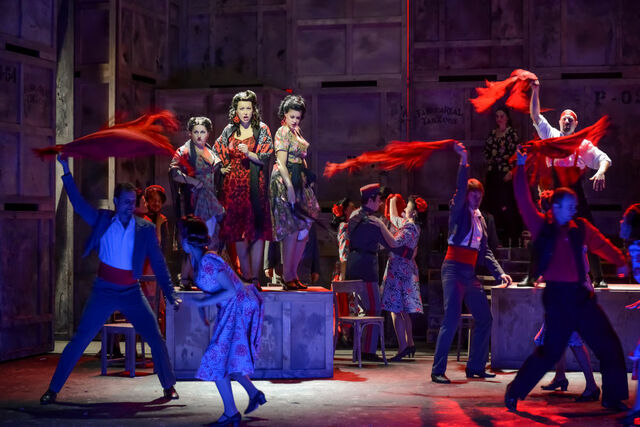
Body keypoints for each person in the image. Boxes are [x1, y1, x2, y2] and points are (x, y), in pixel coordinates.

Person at [40, 156, 181, 405]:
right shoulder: (103, 221)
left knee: (155, 336)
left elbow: (159, 263)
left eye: (132, 202)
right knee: (80, 339)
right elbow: (78, 204)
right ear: (116, 202)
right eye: (125, 202)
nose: (129, 206)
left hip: (131, 291)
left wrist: (171, 295)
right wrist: (66, 171)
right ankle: (53, 389)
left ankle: (168, 386)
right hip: (104, 290)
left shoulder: (145, 228)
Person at [504, 148, 629, 412]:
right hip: (558, 299)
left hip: (581, 298)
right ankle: (514, 391)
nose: (574, 210)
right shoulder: (542, 226)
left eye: (575, 207)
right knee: (549, 352)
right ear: (557, 207)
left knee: (608, 344)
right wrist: (521, 167)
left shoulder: (580, 227)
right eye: (570, 207)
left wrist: (620, 261)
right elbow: (523, 200)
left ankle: (613, 396)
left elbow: (601, 244)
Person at [431, 142, 512, 384]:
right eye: (473, 195)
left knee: (485, 318)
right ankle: (437, 370)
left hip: (468, 272)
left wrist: (500, 274)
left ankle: (475, 367)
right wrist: (464, 160)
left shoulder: (481, 220)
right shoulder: (459, 211)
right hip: (453, 269)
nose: (477, 199)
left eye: (479, 196)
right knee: (451, 319)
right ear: (466, 196)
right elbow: (459, 187)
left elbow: (485, 252)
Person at [526, 79, 612, 288]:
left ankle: (599, 277)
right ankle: (531, 276)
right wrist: (536, 91)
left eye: (570, 120)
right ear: (559, 122)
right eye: (564, 118)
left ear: (575, 124)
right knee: (543, 232)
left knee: (589, 231)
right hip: (556, 194)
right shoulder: (552, 136)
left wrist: (601, 172)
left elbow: (604, 159)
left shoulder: (582, 144)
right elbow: (535, 116)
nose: (566, 121)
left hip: (575, 195)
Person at [180, 217, 265, 426]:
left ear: (188, 240)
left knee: (216, 358)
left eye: (181, 236)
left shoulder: (208, 261)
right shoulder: (197, 260)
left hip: (240, 306)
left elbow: (231, 290)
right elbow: (213, 289)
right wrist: (203, 307)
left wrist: (202, 303)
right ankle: (254, 394)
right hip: (233, 307)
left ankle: (231, 413)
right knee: (229, 358)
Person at [213, 91, 273, 289]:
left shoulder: (261, 129)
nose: (245, 112)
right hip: (234, 187)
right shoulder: (230, 130)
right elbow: (216, 151)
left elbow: (265, 157)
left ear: (254, 109)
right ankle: (245, 275)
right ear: (235, 110)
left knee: (256, 232)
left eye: (249, 108)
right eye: (242, 108)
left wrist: (250, 153)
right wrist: (223, 167)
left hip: (254, 187)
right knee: (238, 232)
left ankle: (255, 277)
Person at [269, 94, 319, 290]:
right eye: (292, 117)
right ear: (285, 115)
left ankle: (293, 273)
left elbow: (301, 157)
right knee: (291, 228)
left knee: (304, 227)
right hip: (286, 178)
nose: (295, 120)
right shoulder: (282, 131)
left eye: (298, 117)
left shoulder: (296, 131)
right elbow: (281, 162)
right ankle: (287, 275)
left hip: (299, 178)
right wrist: (289, 187)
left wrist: (307, 179)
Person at [345, 183, 399, 362]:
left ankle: (360, 349)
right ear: (370, 200)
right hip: (366, 268)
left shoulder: (354, 215)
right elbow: (392, 243)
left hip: (354, 265)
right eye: (378, 200)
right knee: (374, 309)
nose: (380, 203)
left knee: (362, 311)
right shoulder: (373, 222)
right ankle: (367, 351)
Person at [169, 116, 225, 286]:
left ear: (208, 133)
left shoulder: (211, 150)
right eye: (196, 132)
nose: (199, 135)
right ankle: (186, 277)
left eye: (203, 132)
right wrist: (193, 182)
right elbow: (174, 172)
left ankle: (204, 277)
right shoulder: (184, 151)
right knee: (195, 239)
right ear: (190, 133)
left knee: (211, 239)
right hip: (195, 200)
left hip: (211, 199)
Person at [380, 195, 427, 361]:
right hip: (404, 269)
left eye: (407, 206)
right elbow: (395, 219)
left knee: (395, 309)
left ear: (413, 212)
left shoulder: (410, 227)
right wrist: (393, 202)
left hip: (399, 271)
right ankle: (409, 343)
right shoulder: (413, 226)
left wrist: (381, 228)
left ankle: (402, 347)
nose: (405, 208)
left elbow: (394, 241)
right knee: (403, 311)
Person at [482, 106, 522, 246]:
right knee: (493, 206)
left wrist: (512, 171)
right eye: (497, 116)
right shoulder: (493, 134)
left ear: (507, 118)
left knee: (507, 206)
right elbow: (487, 152)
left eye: (502, 116)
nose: (499, 119)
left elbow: (518, 153)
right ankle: (497, 239)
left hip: (507, 174)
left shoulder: (512, 134)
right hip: (494, 174)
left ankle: (512, 239)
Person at [330, 197, 356, 281]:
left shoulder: (347, 227)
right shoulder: (345, 227)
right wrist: (343, 277)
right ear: (345, 211)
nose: (355, 210)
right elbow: (344, 255)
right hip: (348, 271)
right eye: (352, 208)